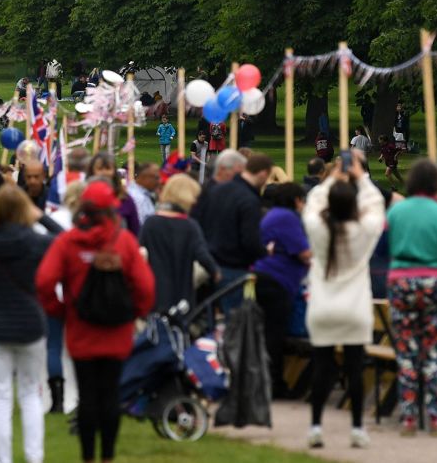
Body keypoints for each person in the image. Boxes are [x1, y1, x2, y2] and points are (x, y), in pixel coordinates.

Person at [36, 180, 155, 463]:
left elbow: (43, 281)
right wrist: (134, 311)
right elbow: (146, 287)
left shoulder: (67, 242)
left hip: (81, 327)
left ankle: (87, 456)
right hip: (117, 329)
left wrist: (59, 309)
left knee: (87, 396)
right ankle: (108, 457)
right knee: (110, 394)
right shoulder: (124, 242)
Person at [301, 154, 385, 448]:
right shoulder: (363, 230)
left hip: (323, 306)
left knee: (322, 368)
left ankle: (315, 426)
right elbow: (376, 204)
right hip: (355, 307)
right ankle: (358, 428)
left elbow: (312, 203)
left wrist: (332, 177)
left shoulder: (317, 229)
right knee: (354, 369)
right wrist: (360, 175)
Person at [0, 185, 52, 463]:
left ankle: (2, 459)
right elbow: (66, 240)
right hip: (30, 322)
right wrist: (41, 218)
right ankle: (34, 457)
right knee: (30, 394)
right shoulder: (36, 241)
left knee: (1, 397)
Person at [385, 158, 437, 435]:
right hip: (436, 283)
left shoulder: (396, 212)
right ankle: (434, 417)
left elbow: (384, 246)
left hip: (401, 280)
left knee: (406, 352)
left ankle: (408, 416)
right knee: (433, 351)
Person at [251, 181, 310, 398]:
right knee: (274, 334)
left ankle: (270, 380)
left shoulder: (273, 215)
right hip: (277, 280)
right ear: (296, 200)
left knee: (270, 332)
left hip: (268, 278)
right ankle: (274, 384)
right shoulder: (288, 217)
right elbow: (302, 251)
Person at [192, 150, 269, 305]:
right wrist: (265, 253)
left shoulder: (215, 191)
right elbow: (250, 239)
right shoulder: (246, 198)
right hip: (229, 263)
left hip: (211, 259)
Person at [140, 172, 218, 315]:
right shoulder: (189, 226)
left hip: (154, 288)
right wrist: (216, 272)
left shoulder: (151, 223)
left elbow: (140, 252)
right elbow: (202, 255)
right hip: (182, 289)